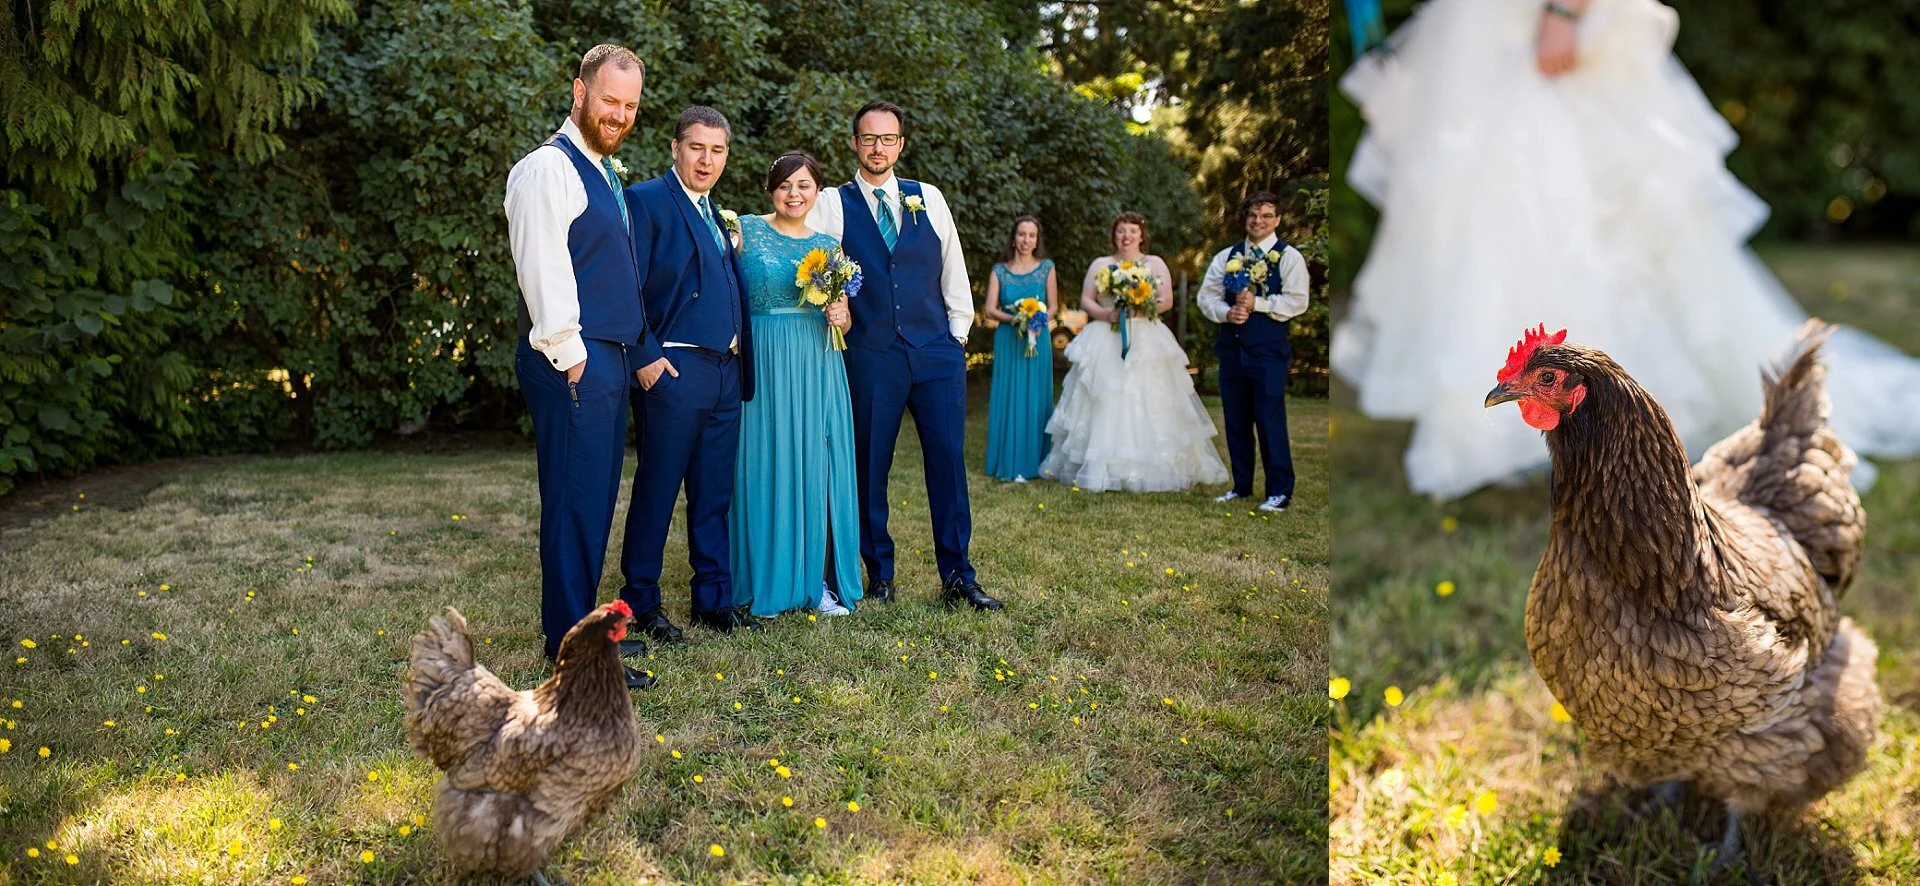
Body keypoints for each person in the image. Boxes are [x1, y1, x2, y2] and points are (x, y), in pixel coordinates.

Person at [1337, 0, 1920, 499]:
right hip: (1479, 32)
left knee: (1578, 210)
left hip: (1541, 22)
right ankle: (1523, 433)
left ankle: (1619, 419)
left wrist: (1566, 11)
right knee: (1490, 218)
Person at [806, 101, 1002, 611]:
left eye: (888, 138)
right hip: (872, 356)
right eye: (869, 138)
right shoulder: (833, 203)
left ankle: (958, 577)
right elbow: (800, 246)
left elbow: (952, 267)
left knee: (948, 464)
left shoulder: (927, 197)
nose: (879, 148)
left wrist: (957, 336)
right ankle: (880, 574)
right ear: (855, 143)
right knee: (870, 467)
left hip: (935, 351)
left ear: (901, 144)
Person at [502, 44, 654, 690]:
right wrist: (572, 356)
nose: (618, 114)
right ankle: (575, 656)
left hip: (605, 361)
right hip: (573, 361)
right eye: (609, 100)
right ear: (579, 92)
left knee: (592, 506)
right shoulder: (548, 167)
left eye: (630, 105)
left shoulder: (602, 171)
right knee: (573, 508)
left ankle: (585, 637)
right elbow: (543, 267)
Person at [614, 106, 758, 637]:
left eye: (717, 150)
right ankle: (641, 602)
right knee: (657, 490)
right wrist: (645, 356)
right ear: (676, 148)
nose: (706, 159)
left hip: (725, 372)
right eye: (697, 147)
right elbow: (625, 283)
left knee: (714, 492)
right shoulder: (647, 200)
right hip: (673, 369)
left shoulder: (716, 213)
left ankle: (713, 599)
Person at [730, 151, 863, 618]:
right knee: (761, 461)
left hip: (816, 362)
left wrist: (842, 315)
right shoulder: (744, 230)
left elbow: (845, 318)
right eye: (785, 185)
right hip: (763, 359)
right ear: (771, 189)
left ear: (817, 192)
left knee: (815, 464)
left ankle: (814, 581)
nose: (794, 194)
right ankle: (757, 576)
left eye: (804, 185)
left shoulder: (829, 246)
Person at [1040, 212, 1230, 492]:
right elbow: (1086, 300)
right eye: (1121, 231)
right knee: (1105, 396)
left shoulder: (1154, 263)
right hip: (1106, 334)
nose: (1126, 236)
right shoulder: (1101, 264)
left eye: (1132, 231)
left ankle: (1149, 468)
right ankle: (1102, 466)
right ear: (1114, 235)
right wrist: (1108, 314)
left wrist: (1139, 309)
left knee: (1148, 394)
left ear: (1142, 235)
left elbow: (1166, 301)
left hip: (1145, 335)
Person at [1197, 192, 1310, 512]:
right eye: (1253, 215)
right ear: (1245, 218)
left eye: (1266, 215)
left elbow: (1298, 301)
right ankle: (1241, 486)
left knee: (1269, 418)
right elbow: (1207, 297)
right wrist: (1226, 313)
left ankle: (1279, 491)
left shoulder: (1289, 257)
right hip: (1232, 348)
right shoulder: (1227, 256)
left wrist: (1257, 303)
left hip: (1268, 350)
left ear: (1277, 219)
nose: (1258, 221)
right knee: (1236, 419)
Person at [981, 216, 1058, 482]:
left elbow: (1054, 306)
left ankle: (1035, 461)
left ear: (1037, 240)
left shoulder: (1047, 268)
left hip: (1037, 338)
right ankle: (1008, 459)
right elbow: (990, 309)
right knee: (1008, 394)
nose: (1026, 240)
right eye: (1022, 234)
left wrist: (1036, 319)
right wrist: (1017, 319)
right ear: (1014, 238)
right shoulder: (999, 271)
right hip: (1009, 339)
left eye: (1031, 235)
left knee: (1035, 396)